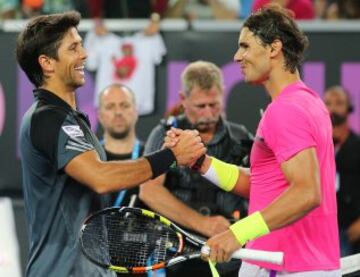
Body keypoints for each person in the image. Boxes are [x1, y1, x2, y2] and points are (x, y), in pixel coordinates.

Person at [16, 11, 205, 277]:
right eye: (73, 48)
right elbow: (101, 178)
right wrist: (171, 156)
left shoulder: (69, 119)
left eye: (81, 45)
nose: (84, 54)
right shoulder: (48, 118)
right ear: (47, 63)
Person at [166, 5, 340, 276]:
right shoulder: (306, 102)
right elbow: (265, 184)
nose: (237, 56)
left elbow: (307, 192)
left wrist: (237, 233)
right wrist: (202, 162)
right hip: (297, 262)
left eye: (245, 46)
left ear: (273, 48)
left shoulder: (286, 110)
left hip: (284, 265)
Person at [139, 61, 253, 277]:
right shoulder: (166, 134)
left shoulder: (241, 138)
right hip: (178, 254)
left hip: (232, 255)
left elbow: (261, 190)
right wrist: (205, 225)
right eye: (201, 106)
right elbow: (150, 191)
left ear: (222, 94)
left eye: (214, 104)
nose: (208, 113)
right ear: (183, 99)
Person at [324, 85, 360, 256]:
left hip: (352, 230)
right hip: (323, 230)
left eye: (339, 103)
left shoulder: (358, 147)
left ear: (348, 109)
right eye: (328, 103)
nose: (332, 108)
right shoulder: (316, 149)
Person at [97, 83, 145, 207]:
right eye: (110, 106)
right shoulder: (87, 159)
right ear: (100, 115)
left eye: (125, 105)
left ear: (136, 111)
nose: (118, 112)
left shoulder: (151, 156)